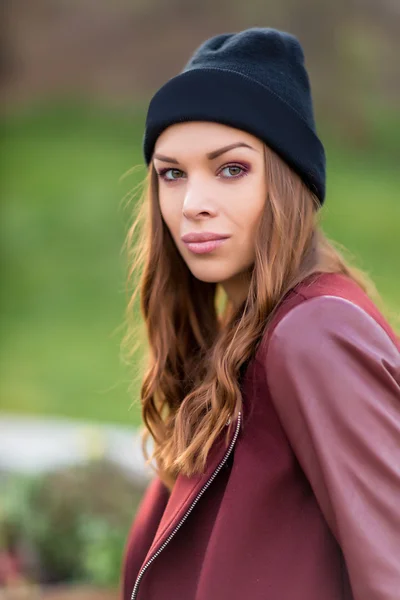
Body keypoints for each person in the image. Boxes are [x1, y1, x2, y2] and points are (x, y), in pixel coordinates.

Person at [121, 27, 400, 600]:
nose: (193, 202)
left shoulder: (313, 332)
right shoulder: (238, 337)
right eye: (172, 173)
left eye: (230, 169)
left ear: (289, 183)